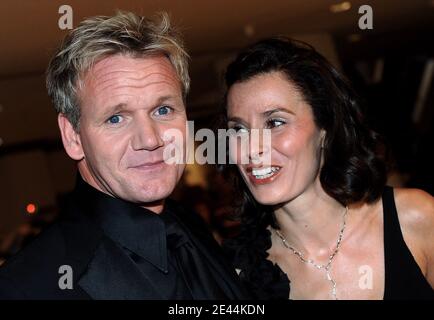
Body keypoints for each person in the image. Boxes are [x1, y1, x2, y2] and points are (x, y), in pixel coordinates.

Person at [0, 11, 248, 300]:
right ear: (73, 137)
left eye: (163, 110)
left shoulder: (188, 224)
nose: (150, 139)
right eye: (116, 118)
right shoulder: (25, 287)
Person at [220, 37, 434, 300]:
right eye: (239, 129)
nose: (252, 148)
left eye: (275, 123)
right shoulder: (238, 276)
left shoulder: (416, 219)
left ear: (324, 127)